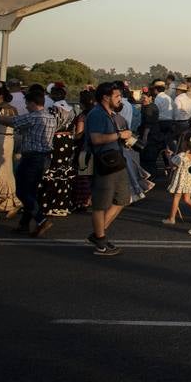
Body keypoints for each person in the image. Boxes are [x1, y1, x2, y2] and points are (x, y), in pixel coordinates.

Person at [85, 82, 135, 256]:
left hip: (116, 160)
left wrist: (123, 138)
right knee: (100, 203)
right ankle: (100, 240)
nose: (119, 99)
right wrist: (120, 135)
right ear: (105, 97)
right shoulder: (97, 114)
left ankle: (99, 233)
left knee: (123, 198)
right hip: (103, 162)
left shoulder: (111, 114)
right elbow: (96, 139)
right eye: (116, 96)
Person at [9, 86, 56, 236]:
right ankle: (24, 224)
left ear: (32, 103)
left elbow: (12, 121)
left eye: (27, 104)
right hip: (43, 157)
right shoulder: (50, 117)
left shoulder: (34, 116)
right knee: (31, 191)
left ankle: (41, 220)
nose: (27, 107)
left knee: (22, 191)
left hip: (31, 157)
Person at [37, 84, 77, 227]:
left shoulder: (53, 108)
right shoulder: (71, 109)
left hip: (56, 139)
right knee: (64, 170)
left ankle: (49, 203)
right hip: (68, 141)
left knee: (52, 170)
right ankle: (62, 203)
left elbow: (50, 127)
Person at [0, 83, 19, 222]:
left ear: (0, 96)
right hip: (4, 140)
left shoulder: (2, 109)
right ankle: (9, 203)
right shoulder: (8, 108)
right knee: (4, 171)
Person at [163, 125, 191, 225]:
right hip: (190, 179)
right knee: (187, 199)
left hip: (180, 179)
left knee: (176, 198)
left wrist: (169, 156)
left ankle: (172, 218)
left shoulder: (181, 155)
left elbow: (172, 165)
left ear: (185, 143)